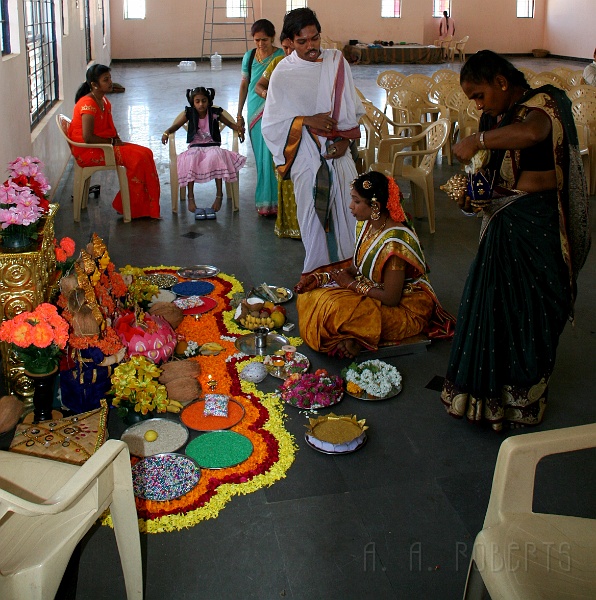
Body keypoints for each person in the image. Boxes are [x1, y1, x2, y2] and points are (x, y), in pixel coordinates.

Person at [440, 50, 591, 431]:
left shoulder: (543, 103)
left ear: (502, 83)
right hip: (504, 222)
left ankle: (523, 397)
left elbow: (533, 133)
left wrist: (479, 139)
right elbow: (492, 176)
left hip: (538, 224)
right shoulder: (495, 116)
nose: (478, 104)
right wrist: (470, 195)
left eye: (479, 95)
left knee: (534, 307)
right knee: (491, 306)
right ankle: (486, 399)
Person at [295, 172, 454, 359]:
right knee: (311, 295)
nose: (350, 206)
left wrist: (350, 285)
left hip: (405, 308)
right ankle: (352, 337)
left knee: (334, 310)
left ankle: (356, 338)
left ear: (375, 206)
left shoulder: (395, 243)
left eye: (356, 201)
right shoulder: (367, 224)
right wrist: (321, 279)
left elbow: (391, 298)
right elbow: (357, 267)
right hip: (372, 290)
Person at [262, 8, 363, 274]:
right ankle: (319, 276)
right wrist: (306, 120)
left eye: (315, 39)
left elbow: (353, 110)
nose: (311, 47)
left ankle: (351, 275)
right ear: (290, 42)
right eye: (302, 42)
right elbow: (272, 124)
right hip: (305, 157)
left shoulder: (336, 62)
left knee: (349, 215)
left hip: (339, 155)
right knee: (313, 221)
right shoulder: (283, 73)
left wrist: (345, 142)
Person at [69, 64, 161, 219]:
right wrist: (112, 141)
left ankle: (141, 206)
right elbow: (88, 137)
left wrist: (113, 140)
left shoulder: (103, 100)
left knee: (146, 153)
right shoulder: (88, 104)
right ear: (94, 85)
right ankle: (129, 207)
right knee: (138, 158)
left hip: (104, 145)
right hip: (90, 150)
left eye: (110, 78)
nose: (110, 82)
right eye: (106, 80)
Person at [161, 87, 246, 217]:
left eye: (204, 101)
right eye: (197, 101)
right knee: (191, 159)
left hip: (213, 145)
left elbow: (230, 125)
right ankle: (190, 196)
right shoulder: (189, 113)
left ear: (209, 101)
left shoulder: (215, 113)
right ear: (193, 102)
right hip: (195, 146)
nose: (201, 104)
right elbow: (177, 126)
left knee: (216, 156)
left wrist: (239, 129)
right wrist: (167, 132)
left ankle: (219, 194)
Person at [254, 33, 300, 239]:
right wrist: (269, 96)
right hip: (282, 128)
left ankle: (307, 227)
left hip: (305, 128)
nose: (289, 53)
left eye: (292, 48)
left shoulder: (309, 66)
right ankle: (289, 225)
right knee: (285, 174)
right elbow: (258, 86)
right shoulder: (277, 63)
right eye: (286, 48)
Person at [237, 19, 285, 216]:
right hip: (254, 112)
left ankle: (280, 202)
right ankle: (265, 202)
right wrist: (239, 113)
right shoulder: (249, 57)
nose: (260, 44)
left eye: (264, 39)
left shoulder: (281, 56)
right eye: (256, 40)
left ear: (273, 37)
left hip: (275, 111)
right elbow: (244, 85)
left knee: (275, 155)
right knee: (260, 156)